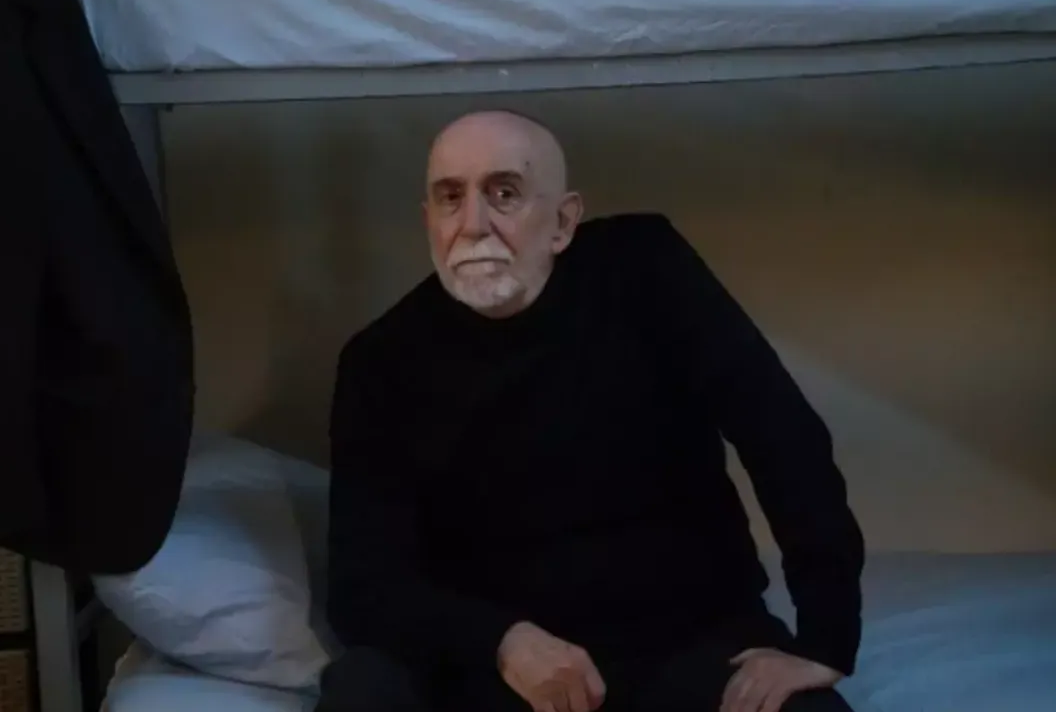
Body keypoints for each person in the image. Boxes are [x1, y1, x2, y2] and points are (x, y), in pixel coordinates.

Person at [317, 109, 865, 712]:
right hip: (496, 673)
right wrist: (500, 642)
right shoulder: (381, 361)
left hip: (687, 641)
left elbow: (782, 435)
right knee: (360, 689)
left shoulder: (644, 270)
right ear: (429, 220)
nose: (472, 224)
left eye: (504, 194)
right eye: (451, 198)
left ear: (563, 221)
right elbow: (362, 584)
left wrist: (827, 637)